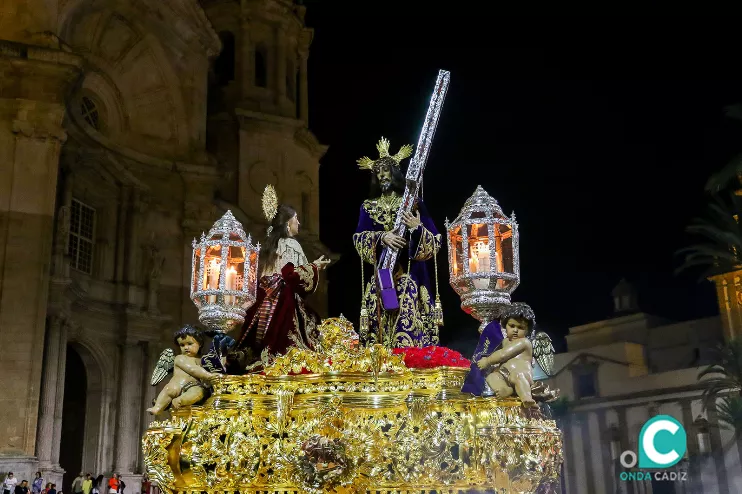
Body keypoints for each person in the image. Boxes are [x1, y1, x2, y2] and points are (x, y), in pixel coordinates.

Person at [225, 185, 330, 373]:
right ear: (288, 224)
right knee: (287, 345)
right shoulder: (290, 244)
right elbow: (289, 275)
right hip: (283, 300)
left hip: (264, 297)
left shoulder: (270, 247)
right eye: (296, 219)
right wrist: (315, 267)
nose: (299, 222)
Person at [353, 137, 442, 348]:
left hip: (409, 274)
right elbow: (359, 238)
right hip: (382, 276)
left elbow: (435, 240)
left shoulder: (414, 203)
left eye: (386, 170)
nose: (382, 175)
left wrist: (416, 229)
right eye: (378, 172)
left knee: (407, 308)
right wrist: (382, 237)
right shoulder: (368, 206)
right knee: (378, 317)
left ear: (395, 173)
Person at [476, 302, 537, 407]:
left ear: (527, 330)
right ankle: (505, 390)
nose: (515, 330)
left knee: (518, 377)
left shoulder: (524, 342)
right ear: (505, 326)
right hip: (504, 374)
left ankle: (527, 398)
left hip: (520, 373)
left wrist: (488, 361)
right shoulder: (505, 342)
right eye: (512, 326)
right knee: (492, 377)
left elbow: (503, 354)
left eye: (520, 327)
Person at [147, 326, 216, 414]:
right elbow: (193, 369)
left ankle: (180, 400)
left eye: (189, 344)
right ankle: (157, 407)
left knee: (198, 393)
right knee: (169, 389)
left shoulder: (203, 359)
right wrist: (209, 376)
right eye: (182, 345)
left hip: (195, 385)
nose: (186, 347)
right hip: (177, 385)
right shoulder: (180, 358)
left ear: (200, 344)